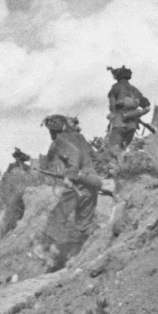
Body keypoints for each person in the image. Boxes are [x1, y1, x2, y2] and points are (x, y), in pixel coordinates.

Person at [37, 114, 105, 271]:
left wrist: (70, 176)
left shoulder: (59, 139)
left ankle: (53, 256)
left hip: (78, 183)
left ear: (52, 131)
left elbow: (74, 155)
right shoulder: (80, 137)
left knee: (56, 217)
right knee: (84, 223)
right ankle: (96, 248)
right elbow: (95, 157)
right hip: (92, 181)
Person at [104, 67, 151, 153]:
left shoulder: (115, 87)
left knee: (113, 151)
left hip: (119, 123)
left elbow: (112, 108)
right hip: (132, 126)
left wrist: (112, 114)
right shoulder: (136, 91)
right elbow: (147, 107)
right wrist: (135, 113)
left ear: (117, 77)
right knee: (122, 150)